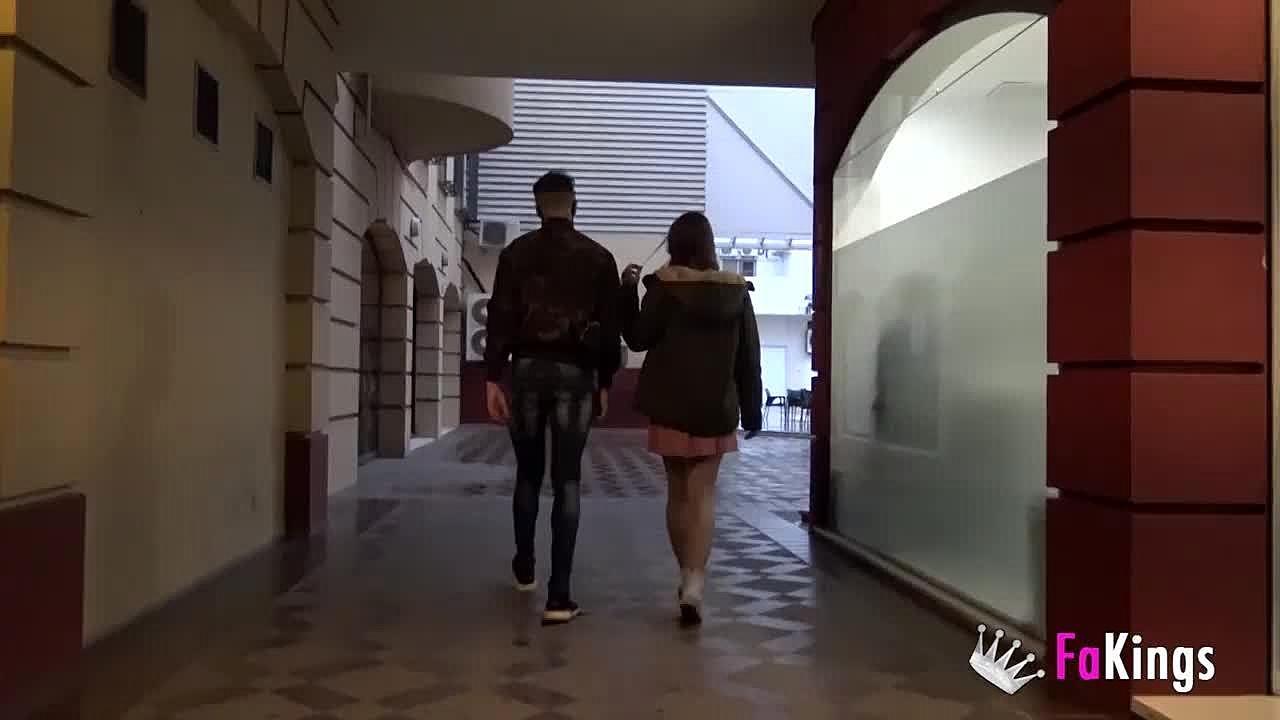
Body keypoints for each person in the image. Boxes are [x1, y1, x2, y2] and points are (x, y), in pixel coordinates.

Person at [484, 170, 622, 626]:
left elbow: (500, 317)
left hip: (525, 372)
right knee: (567, 481)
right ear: (574, 203)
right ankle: (559, 597)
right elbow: (609, 331)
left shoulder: (515, 254)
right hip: (576, 377)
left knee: (527, 475)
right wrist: (605, 382)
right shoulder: (598, 259)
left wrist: (492, 378)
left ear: (538, 206)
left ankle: (525, 566)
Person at [619, 211, 762, 626]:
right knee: (703, 496)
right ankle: (696, 583)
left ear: (674, 245)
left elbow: (638, 338)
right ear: (709, 245)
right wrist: (752, 409)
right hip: (716, 407)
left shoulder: (665, 289)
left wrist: (628, 291)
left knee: (678, 494)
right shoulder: (737, 292)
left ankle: (685, 576)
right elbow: (748, 356)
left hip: (671, 405)